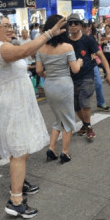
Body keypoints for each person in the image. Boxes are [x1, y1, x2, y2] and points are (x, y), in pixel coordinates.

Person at [0, 11, 66, 219]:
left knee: (20, 148)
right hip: (10, 105)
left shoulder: (3, 47)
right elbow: (26, 50)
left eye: (12, 26)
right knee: (18, 150)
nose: (10, 29)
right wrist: (49, 33)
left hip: (16, 103)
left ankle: (18, 183)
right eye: (6, 26)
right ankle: (16, 201)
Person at [35, 15, 83, 164]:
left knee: (57, 118)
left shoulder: (41, 48)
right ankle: (65, 152)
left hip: (49, 85)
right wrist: (80, 62)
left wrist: (47, 74)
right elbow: (75, 69)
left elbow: (38, 70)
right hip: (64, 85)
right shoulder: (68, 47)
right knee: (68, 120)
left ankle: (51, 148)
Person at [66, 13, 110, 139]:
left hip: (87, 75)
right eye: (70, 23)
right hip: (71, 77)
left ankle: (88, 127)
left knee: (84, 102)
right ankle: (86, 124)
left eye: (76, 23)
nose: (73, 26)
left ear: (81, 25)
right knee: (76, 106)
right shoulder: (65, 41)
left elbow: (101, 56)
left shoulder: (88, 40)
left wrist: (108, 73)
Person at [81, 20, 109, 112]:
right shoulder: (77, 39)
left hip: (92, 65)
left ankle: (101, 103)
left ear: (89, 27)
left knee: (98, 83)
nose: (84, 28)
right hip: (81, 66)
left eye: (85, 26)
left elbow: (98, 51)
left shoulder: (91, 38)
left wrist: (94, 55)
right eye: (82, 26)